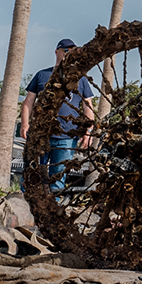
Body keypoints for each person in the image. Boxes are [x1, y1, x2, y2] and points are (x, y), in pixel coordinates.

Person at [20, 38, 94, 188]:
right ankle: (23, 206)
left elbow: (88, 106)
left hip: (67, 136)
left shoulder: (81, 79)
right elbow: (28, 101)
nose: (69, 54)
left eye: (73, 51)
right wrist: (25, 124)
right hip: (40, 134)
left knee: (58, 177)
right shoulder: (42, 75)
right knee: (32, 174)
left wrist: (88, 131)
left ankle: (54, 206)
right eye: (66, 51)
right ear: (57, 52)